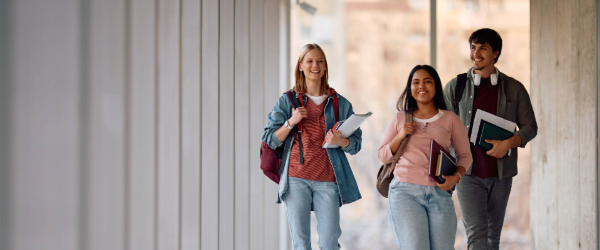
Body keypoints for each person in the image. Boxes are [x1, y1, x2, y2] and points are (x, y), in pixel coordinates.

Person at [443, 28, 538, 250]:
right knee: (477, 237)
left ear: (495, 53)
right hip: (467, 174)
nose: (476, 53)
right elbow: (440, 129)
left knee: (492, 238)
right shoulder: (454, 88)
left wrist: (509, 143)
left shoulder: (514, 88)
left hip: (501, 175)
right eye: (473, 47)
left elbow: (530, 127)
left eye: (482, 48)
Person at [261, 43, 362, 250]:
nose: (315, 65)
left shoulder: (340, 104)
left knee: (330, 243)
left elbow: (356, 145)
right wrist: (291, 122)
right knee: (301, 244)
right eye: (310, 61)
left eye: (320, 61)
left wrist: (340, 141)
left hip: (328, 180)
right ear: (300, 66)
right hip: (296, 179)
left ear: (325, 67)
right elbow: (270, 138)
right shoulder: (287, 101)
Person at [378, 65, 473, 250]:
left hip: (439, 194)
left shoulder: (450, 119)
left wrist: (456, 176)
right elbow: (382, 156)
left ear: (436, 86)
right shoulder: (400, 119)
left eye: (427, 81)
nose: (422, 86)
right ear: (410, 89)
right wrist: (400, 135)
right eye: (416, 82)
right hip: (405, 194)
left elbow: (465, 156)